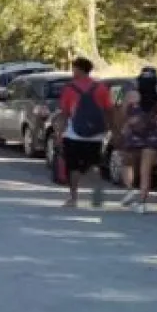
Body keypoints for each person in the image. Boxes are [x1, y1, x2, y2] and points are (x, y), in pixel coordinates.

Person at [57, 57, 113, 208]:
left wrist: (59, 134)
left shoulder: (69, 88)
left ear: (79, 69)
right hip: (96, 135)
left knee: (73, 166)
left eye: (73, 68)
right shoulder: (100, 88)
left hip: (74, 134)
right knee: (94, 164)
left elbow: (64, 113)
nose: (72, 71)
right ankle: (97, 195)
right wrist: (111, 129)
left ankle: (74, 198)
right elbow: (108, 110)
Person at [120, 67, 157, 213]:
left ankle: (130, 189)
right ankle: (142, 203)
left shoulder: (131, 96)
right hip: (152, 136)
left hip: (133, 135)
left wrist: (127, 124)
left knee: (127, 163)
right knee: (146, 171)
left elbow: (122, 113)